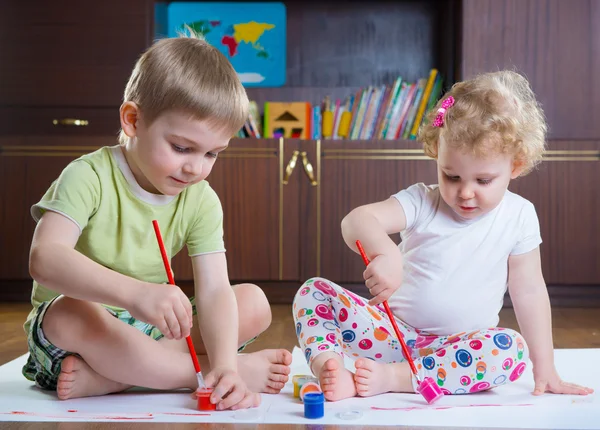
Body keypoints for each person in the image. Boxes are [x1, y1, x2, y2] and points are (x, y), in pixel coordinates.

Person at [22, 29, 291, 411]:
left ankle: (116, 379)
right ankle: (192, 374)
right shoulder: (88, 176)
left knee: (252, 301)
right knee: (70, 312)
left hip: (149, 337)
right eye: (182, 147)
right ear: (132, 120)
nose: (196, 168)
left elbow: (214, 291)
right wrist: (135, 294)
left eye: (213, 153)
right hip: (72, 339)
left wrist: (228, 367)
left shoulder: (201, 199)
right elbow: (45, 259)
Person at [293, 70, 594, 401]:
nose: (465, 193)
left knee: (510, 350)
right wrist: (386, 254)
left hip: (460, 352)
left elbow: (530, 292)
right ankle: (331, 367)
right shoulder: (423, 200)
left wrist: (546, 367)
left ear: (516, 166)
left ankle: (396, 378)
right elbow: (355, 221)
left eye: (483, 181)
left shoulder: (519, 216)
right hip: (391, 334)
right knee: (313, 293)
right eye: (451, 176)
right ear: (437, 151)